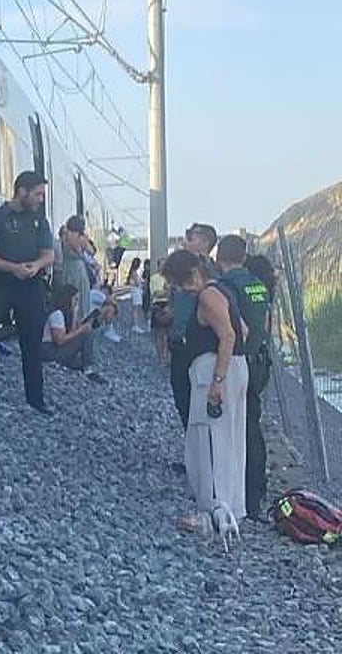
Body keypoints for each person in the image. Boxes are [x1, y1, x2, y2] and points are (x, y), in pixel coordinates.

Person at [162, 250, 249, 543]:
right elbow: (243, 330)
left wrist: (217, 380)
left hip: (214, 371)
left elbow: (228, 335)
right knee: (231, 440)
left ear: (193, 274)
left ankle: (214, 511)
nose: (180, 290)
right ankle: (232, 509)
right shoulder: (225, 291)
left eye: (178, 283)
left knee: (209, 441)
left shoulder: (207, 296)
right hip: (234, 368)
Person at [0, 171, 56, 415]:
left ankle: (35, 397)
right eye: (38, 194)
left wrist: (36, 266)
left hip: (30, 286)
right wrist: (13, 268)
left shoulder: (40, 221)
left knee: (31, 342)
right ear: (22, 191)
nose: (41, 199)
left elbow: (48, 254)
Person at [217, 237, 274, 521]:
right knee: (253, 428)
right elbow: (264, 326)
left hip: (237, 362)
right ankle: (256, 496)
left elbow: (233, 329)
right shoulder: (259, 286)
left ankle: (237, 499)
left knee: (235, 431)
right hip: (259, 364)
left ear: (220, 257)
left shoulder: (227, 287)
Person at [168, 223, 220, 430]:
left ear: (206, 242)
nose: (187, 238)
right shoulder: (183, 268)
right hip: (179, 344)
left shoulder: (209, 272)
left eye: (192, 235)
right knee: (183, 399)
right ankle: (193, 454)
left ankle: (201, 457)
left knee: (196, 403)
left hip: (197, 346)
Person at [40, 283, 104, 383]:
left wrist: (74, 313)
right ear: (68, 299)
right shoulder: (57, 314)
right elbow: (59, 340)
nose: (76, 303)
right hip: (49, 351)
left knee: (81, 362)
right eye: (75, 299)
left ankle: (85, 365)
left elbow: (71, 333)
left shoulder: (64, 313)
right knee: (86, 335)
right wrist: (81, 331)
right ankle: (88, 370)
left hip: (54, 350)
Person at [57, 216, 92, 320]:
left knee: (68, 298)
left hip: (67, 267)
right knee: (81, 298)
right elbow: (91, 251)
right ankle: (80, 321)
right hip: (78, 269)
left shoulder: (65, 236)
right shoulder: (80, 238)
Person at [150, 259, 173, 366]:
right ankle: (160, 358)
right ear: (158, 266)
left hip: (169, 305)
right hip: (158, 305)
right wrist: (166, 291)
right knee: (159, 334)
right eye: (162, 265)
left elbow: (173, 292)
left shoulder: (170, 278)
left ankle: (167, 357)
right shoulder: (154, 278)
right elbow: (155, 294)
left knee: (169, 334)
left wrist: (166, 292)